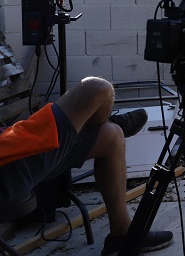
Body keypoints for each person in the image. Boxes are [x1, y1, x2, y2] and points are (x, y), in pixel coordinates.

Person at [0, 76, 173, 255]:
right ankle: (109, 121)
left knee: (110, 136)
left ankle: (122, 235)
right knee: (97, 88)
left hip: (9, 149)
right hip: (6, 163)